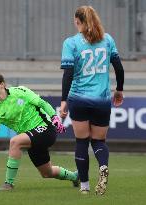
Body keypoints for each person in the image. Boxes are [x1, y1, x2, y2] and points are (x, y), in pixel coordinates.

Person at [0, 72, 79, 191]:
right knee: (47, 173)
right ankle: (75, 176)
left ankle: (8, 184)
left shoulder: (20, 91)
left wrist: (54, 117)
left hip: (45, 128)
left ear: (2, 84)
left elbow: (42, 103)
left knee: (15, 141)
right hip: (31, 138)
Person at [60, 6, 124, 195]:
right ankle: (103, 165)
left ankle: (85, 187)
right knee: (98, 141)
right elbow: (119, 69)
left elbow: (68, 73)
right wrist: (119, 90)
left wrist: (64, 100)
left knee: (81, 142)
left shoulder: (71, 43)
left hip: (79, 99)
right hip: (103, 99)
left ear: (78, 21)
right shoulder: (108, 39)